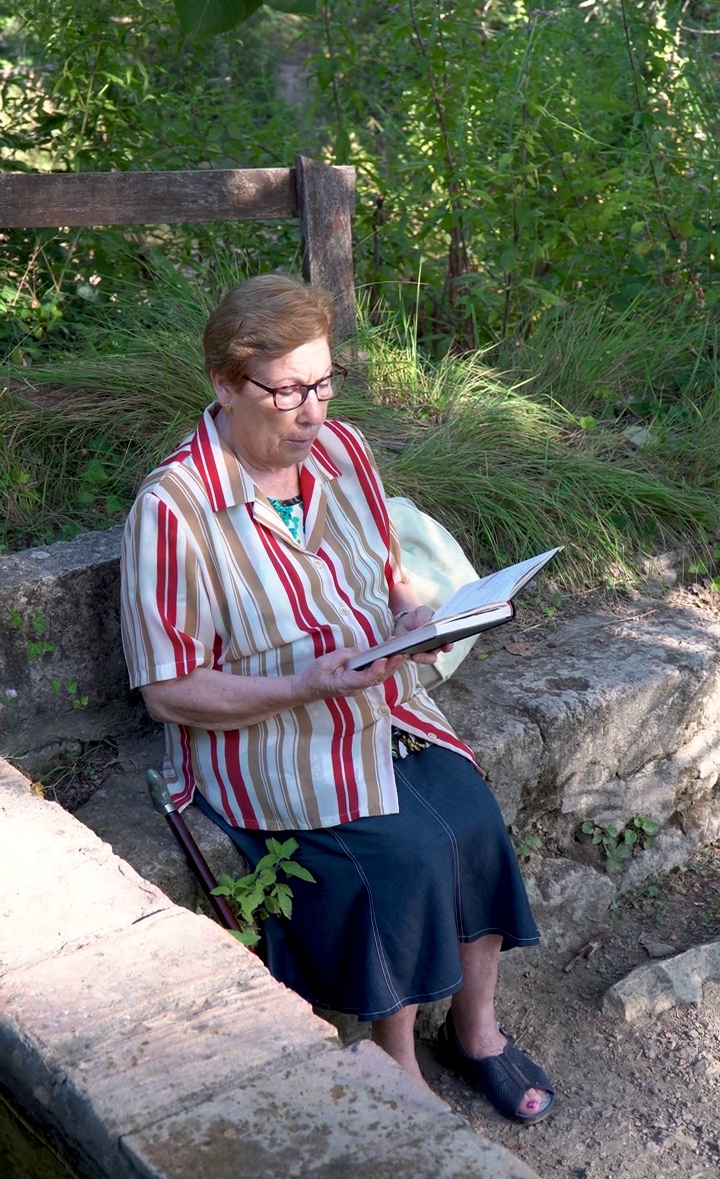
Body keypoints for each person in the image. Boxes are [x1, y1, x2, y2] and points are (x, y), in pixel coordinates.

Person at [120, 274, 554, 1124]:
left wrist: (412, 614)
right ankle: (396, 1064)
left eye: (322, 383)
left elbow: (387, 569)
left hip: (380, 704)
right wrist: (304, 683)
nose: (311, 411)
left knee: (471, 821)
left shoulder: (343, 452)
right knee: (402, 855)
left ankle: (477, 1030)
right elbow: (170, 690)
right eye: (285, 391)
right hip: (268, 739)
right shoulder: (172, 511)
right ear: (223, 384)